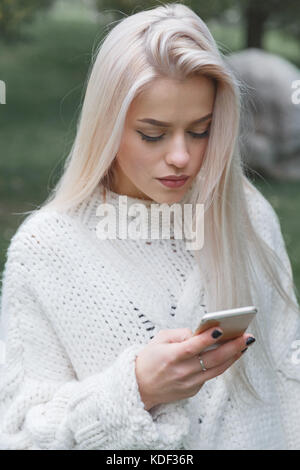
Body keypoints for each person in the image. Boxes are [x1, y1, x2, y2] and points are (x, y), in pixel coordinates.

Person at [0, 3, 299, 450]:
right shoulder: (47, 249)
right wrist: (135, 391)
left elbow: (289, 378)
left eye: (200, 130)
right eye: (153, 134)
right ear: (107, 126)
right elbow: (18, 437)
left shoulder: (248, 213)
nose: (180, 156)